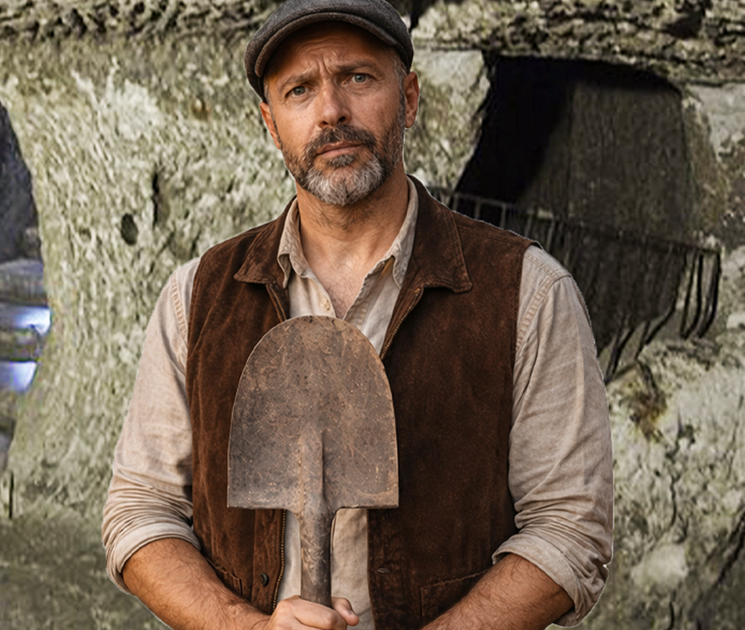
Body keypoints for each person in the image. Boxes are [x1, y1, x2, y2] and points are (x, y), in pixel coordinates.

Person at [101, 0, 614, 628]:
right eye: (299, 90)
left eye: (358, 78)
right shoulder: (198, 298)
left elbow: (569, 529)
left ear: (411, 99)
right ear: (271, 123)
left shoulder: (527, 293)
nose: (331, 111)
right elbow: (139, 511)